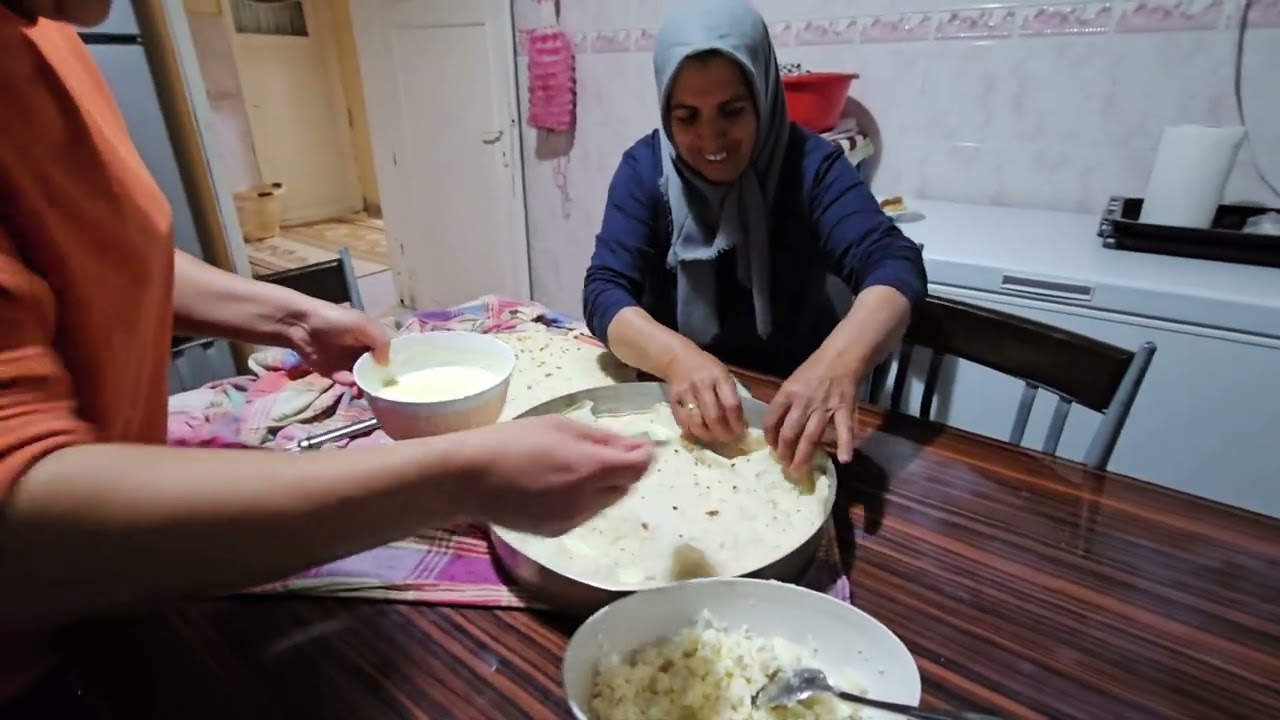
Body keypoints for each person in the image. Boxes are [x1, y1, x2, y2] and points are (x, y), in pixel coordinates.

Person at [0, 1, 653, 714]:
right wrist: (462, 477)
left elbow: (105, 257)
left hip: (117, 600)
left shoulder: (51, 37)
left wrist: (290, 316)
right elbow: (22, 531)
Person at [583, 0, 926, 476]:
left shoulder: (811, 166)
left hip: (789, 409)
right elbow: (603, 291)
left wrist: (837, 362)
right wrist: (679, 359)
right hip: (672, 400)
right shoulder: (644, 171)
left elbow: (894, 261)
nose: (710, 139)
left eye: (732, 111)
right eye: (686, 117)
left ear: (763, 95)